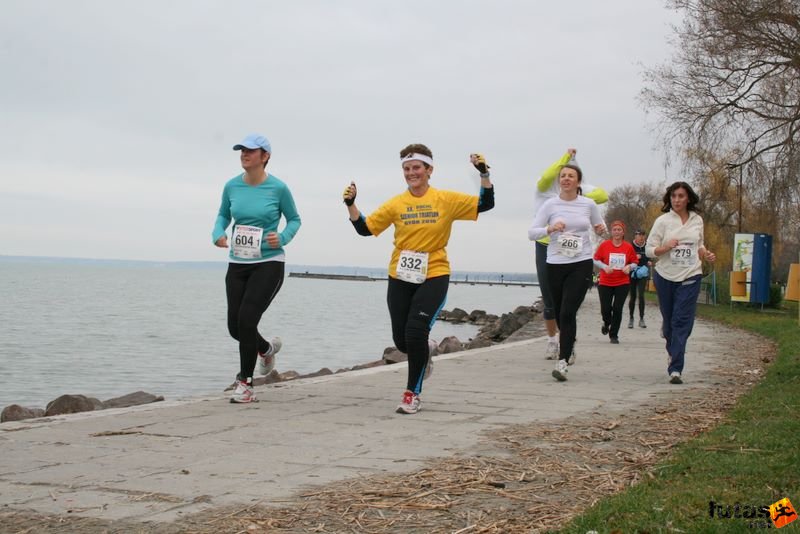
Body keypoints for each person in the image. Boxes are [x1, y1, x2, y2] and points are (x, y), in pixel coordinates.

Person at [343, 144, 494, 414]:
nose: (411, 173)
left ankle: (412, 393)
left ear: (429, 170)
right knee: (402, 342)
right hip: (400, 273)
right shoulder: (396, 203)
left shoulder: (445, 199)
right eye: (407, 169)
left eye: (416, 168)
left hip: (434, 272)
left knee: (415, 330)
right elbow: (366, 229)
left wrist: (483, 173)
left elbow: (486, 203)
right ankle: (426, 351)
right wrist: (351, 205)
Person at [212, 133, 302, 403]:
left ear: (265, 157)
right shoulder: (231, 186)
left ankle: (246, 384)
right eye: (241, 151)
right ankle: (266, 349)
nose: (244, 155)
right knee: (235, 327)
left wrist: (283, 237)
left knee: (247, 320)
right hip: (238, 262)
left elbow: (295, 219)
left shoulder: (278, 188)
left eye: (250, 151)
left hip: (269, 263)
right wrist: (217, 232)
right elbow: (223, 215)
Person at [528, 159, 606, 381]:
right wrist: (549, 228)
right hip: (555, 263)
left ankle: (561, 362)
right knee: (560, 310)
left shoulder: (588, 205)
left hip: (581, 262)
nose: (566, 179)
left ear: (578, 181)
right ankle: (569, 344)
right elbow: (532, 232)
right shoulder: (550, 205)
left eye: (571, 176)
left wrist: (601, 229)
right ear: (559, 181)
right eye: (563, 176)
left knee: (568, 311)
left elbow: (600, 228)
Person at [645, 181, 715, 384]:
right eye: (674, 196)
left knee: (681, 321)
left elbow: (699, 245)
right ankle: (671, 345)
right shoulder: (663, 221)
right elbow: (649, 250)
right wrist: (665, 247)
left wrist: (705, 253)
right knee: (669, 325)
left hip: (691, 274)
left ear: (688, 198)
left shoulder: (697, 220)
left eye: (681, 196)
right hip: (665, 276)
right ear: (669, 198)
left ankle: (676, 368)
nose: (677, 200)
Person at [593, 220, 638, 344]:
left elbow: (635, 262)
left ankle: (614, 335)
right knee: (606, 309)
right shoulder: (604, 245)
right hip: (605, 282)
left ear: (623, 232)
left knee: (617, 308)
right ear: (611, 232)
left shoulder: (628, 246)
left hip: (622, 282)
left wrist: (629, 267)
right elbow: (595, 260)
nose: (617, 232)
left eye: (619, 230)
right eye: (614, 230)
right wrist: (604, 267)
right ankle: (606, 322)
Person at [628, 229, 652, 329]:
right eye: (639, 235)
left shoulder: (647, 245)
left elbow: (651, 255)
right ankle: (631, 318)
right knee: (633, 296)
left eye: (643, 235)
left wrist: (650, 261)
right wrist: (634, 257)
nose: (641, 237)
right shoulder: (630, 246)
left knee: (641, 295)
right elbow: (625, 258)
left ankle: (641, 319)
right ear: (635, 236)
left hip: (643, 272)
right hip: (632, 273)